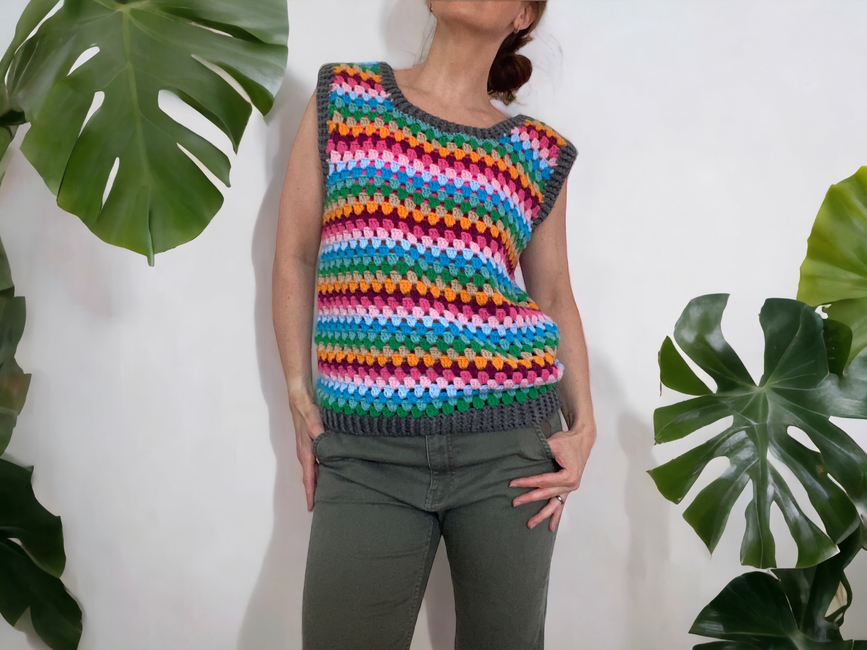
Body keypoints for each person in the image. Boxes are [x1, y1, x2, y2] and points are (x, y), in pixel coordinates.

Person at [272, 2, 596, 648]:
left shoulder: (536, 153)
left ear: (522, 14)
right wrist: (297, 392)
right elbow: (295, 255)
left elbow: (555, 293)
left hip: (509, 450)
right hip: (364, 453)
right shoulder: (345, 98)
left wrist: (584, 425)